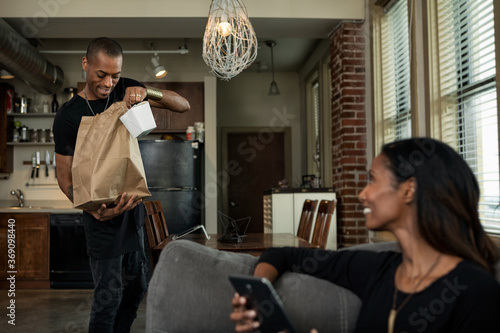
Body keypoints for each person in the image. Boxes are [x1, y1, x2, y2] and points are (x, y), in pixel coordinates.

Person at [231, 137, 500, 332]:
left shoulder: (474, 290)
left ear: (408, 190)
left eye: (372, 179)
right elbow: (283, 253)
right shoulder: (379, 270)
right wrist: (257, 300)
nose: (363, 194)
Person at [53, 37, 190, 333]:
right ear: (85, 64)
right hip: (100, 219)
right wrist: (91, 211)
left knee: (137, 288)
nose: (108, 83)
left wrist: (147, 90)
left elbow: (183, 105)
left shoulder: (125, 89)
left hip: (132, 212)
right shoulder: (68, 115)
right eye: (102, 74)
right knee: (109, 295)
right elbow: (63, 174)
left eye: (115, 75)